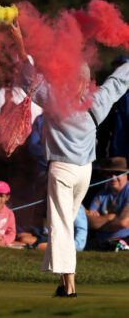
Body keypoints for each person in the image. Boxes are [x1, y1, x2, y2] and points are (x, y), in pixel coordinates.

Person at [9, 19, 129, 297]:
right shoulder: (96, 101)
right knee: (63, 223)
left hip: (63, 170)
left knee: (61, 226)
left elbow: (28, 77)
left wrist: (19, 43)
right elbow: (120, 80)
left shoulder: (55, 100)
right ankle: (63, 284)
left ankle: (70, 285)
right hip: (84, 173)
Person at [87, 157, 129, 249]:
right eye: (109, 174)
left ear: (126, 174)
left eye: (118, 173)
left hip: (123, 241)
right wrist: (111, 217)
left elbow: (124, 223)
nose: (113, 177)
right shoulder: (101, 194)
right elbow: (88, 221)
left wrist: (99, 223)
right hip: (100, 242)